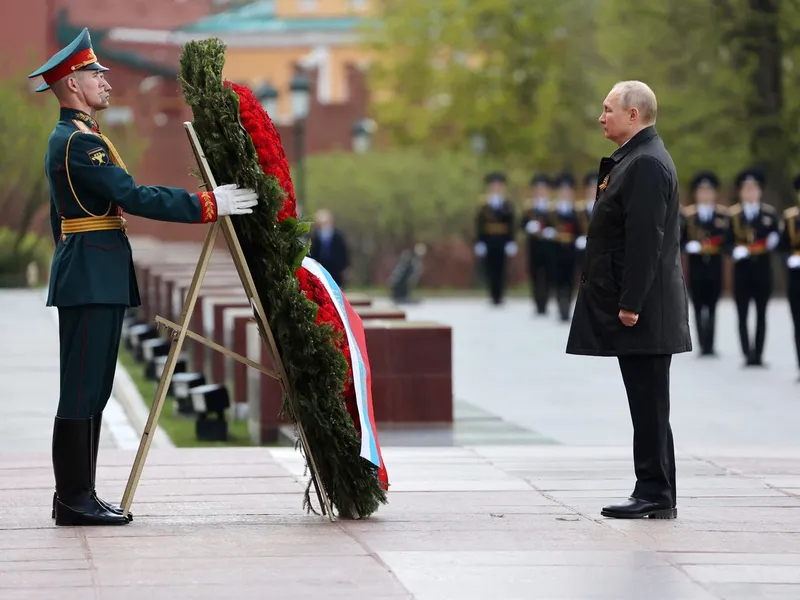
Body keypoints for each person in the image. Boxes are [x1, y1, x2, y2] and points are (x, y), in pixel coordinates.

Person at [28, 28, 259, 526]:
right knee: (82, 390)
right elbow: (131, 195)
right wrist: (206, 203)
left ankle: (80, 494)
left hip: (93, 269)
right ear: (72, 85)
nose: (106, 82)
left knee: (95, 388)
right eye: (95, 74)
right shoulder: (77, 144)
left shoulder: (82, 138)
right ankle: (72, 499)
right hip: (91, 274)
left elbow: (63, 215)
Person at [566, 80, 691, 520]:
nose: (601, 117)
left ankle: (654, 491)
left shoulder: (644, 165)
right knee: (649, 403)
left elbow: (645, 242)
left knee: (649, 403)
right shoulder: (637, 159)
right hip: (645, 305)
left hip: (646, 310)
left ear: (633, 115)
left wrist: (631, 302)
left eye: (608, 109)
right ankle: (657, 490)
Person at [726, 168, 780, 367]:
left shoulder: (769, 214)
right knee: (742, 313)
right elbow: (726, 242)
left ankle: (758, 354)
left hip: (762, 270)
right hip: (742, 271)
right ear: (741, 192)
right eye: (747, 189)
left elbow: (779, 240)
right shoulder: (734, 216)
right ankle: (746, 353)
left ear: (759, 191)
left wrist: (775, 241)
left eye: (754, 189)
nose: (750, 193)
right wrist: (734, 251)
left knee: (761, 313)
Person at [679, 172, 730, 356]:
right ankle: (702, 343)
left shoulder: (723, 216)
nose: (705, 195)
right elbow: (680, 239)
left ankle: (711, 344)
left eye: (709, 192)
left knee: (713, 305)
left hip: (714, 264)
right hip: (696, 265)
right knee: (699, 305)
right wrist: (688, 246)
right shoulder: (689, 216)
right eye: (702, 192)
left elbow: (727, 240)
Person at [474, 172, 517, 305]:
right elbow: (479, 224)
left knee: (502, 267)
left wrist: (511, 241)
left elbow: (511, 224)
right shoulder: (484, 205)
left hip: (502, 240)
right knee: (489, 267)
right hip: (488, 239)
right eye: (494, 186)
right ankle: (492, 294)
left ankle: (500, 294)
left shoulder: (507, 205)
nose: (496, 188)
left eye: (498, 186)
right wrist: (479, 241)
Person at [520, 174, 555, 314]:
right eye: (538, 189)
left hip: (549, 247)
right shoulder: (529, 207)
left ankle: (545, 302)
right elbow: (521, 224)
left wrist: (551, 231)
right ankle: (537, 303)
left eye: (543, 189)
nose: (540, 192)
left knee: (548, 274)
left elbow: (558, 224)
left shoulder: (553, 207)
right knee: (535, 274)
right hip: (534, 246)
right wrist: (528, 226)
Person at [549, 172, 580, 322]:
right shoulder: (552, 211)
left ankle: (567, 307)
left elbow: (581, 228)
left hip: (571, 249)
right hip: (556, 249)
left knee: (569, 280)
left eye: (567, 191)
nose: (565, 193)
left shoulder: (576, 211)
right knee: (557, 279)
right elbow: (546, 226)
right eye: (562, 191)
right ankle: (560, 306)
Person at [779, 174, 800, 380]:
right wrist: (790, 258)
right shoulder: (791, 218)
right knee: (798, 322)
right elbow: (782, 246)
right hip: (797, 277)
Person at [308, 209, 350, 287]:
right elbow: (311, 254)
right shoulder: (314, 237)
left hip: (335, 272)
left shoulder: (338, 237)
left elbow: (344, 254)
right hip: (319, 271)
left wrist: (344, 269)